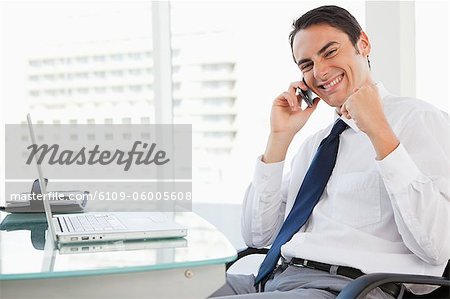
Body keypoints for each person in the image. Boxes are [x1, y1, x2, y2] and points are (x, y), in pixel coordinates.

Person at [210, 5, 450, 299]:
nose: (320, 71)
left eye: (330, 52)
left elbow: (437, 246)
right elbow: (257, 235)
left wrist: (379, 131)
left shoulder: (418, 120)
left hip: (344, 289)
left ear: (363, 43)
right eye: (307, 64)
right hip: (274, 279)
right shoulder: (317, 144)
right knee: (157, 287)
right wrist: (279, 138)